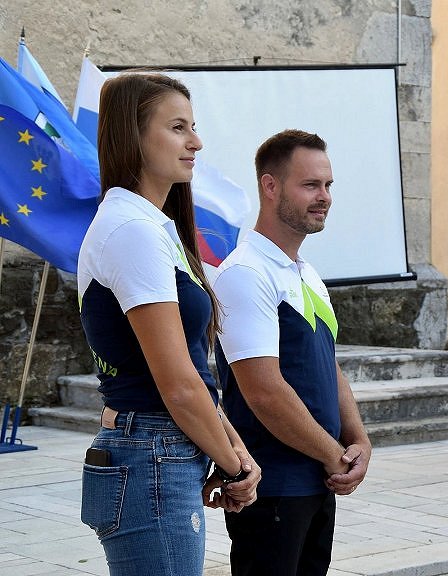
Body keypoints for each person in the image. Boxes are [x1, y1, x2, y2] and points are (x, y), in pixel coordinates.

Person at [77, 72, 261, 575]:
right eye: (178, 127)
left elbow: (194, 375)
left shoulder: (150, 228)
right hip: (150, 453)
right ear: (133, 137)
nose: (196, 142)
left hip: (157, 451)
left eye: (193, 127)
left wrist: (233, 450)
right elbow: (177, 385)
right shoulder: (132, 230)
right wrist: (231, 460)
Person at [213, 129, 372, 576]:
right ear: (270, 186)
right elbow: (263, 391)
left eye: (328, 185)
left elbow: (327, 364)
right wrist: (333, 455)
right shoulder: (245, 273)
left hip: (316, 481)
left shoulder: (305, 273)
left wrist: (357, 439)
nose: (324, 197)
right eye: (310, 185)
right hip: (273, 487)